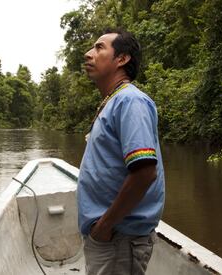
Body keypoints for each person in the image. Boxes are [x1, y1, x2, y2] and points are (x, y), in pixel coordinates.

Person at [77, 28, 165, 275]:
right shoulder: (114, 101)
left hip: (117, 238)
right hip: (110, 236)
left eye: (98, 47)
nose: (88, 54)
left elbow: (145, 172)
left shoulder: (130, 101)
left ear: (122, 59)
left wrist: (105, 226)